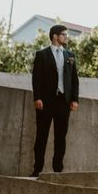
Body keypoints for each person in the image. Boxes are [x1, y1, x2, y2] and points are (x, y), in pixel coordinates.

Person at [30, 24, 79, 176]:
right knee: (41, 136)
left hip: (63, 102)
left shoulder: (70, 55)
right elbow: (36, 78)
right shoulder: (42, 54)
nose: (66, 37)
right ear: (55, 36)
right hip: (46, 102)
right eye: (64, 34)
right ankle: (37, 169)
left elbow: (74, 79)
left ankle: (58, 170)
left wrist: (74, 99)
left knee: (60, 138)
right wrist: (37, 97)